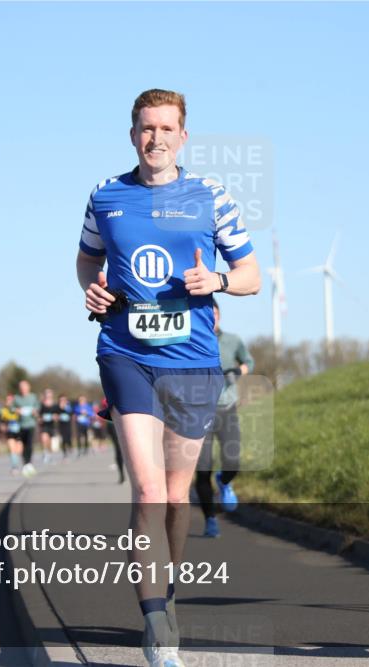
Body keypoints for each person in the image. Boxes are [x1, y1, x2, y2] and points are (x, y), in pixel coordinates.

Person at [77, 88, 259, 667]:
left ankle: (167, 588)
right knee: (149, 491)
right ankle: (158, 625)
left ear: (184, 136)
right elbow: (86, 257)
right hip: (125, 352)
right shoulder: (106, 197)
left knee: (178, 496)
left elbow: (251, 273)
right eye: (145, 128)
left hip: (194, 360)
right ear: (132, 135)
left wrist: (221, 283)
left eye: (166, 128)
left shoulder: (211, 196)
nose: (155, 138)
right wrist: (93, 286)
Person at [195, 298, 254, 538]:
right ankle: (210, 520)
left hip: (227, 408)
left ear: (218, 314)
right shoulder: (191, 339)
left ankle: (225, 480)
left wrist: (238, 371)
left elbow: (248, 361)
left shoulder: (233, 340)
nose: (212, 316)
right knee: (202, 469)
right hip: (198, 412)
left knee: (232, 460)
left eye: (215, 312)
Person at [14, 380, 40, 477]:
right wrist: (16, 410)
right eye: (21, 387)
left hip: (31, 424)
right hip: (20, 425)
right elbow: (11, 409)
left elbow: (38, 408)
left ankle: (29, 463)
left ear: (28, 387)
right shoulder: (16, 398)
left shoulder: (33, 397)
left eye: (24, 387)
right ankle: (25, 463)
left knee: (29, 444)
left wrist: (35, 411)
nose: (23, 389)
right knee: (22, 446)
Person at [0, 394, 23, 473]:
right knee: (12, 449)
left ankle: (16, 464)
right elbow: (1, 421)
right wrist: (3, 426)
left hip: (19, 432)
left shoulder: (18, 409)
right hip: (10, 432)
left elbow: (24, 419)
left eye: (11, 400)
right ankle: (14, 467)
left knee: (18, 450)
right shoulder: (4, 410)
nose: (9, 401)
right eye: (7, 400)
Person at [39, 389, 59, 463]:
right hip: (44, 425)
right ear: (45, 395)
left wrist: (55, 417)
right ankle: (45, 453)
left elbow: (58, 416)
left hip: (52, 425)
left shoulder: (55, 405)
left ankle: (49, 455)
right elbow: (39, 415)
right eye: (47, 394)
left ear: (52, 395)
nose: (48, 395)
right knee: (44, 438)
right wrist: (40, 418)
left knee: (49, 442)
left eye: (49, 394)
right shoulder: (41, 405)